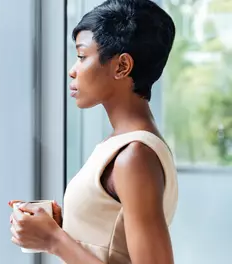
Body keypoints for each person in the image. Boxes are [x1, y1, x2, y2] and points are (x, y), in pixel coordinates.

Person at [9, 0, 178, 263]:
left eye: (81, 56)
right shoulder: (124, 145)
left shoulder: (134, 156)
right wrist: (61, 225)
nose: (72, 70)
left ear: (122, 66)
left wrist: (54, 240)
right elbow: (114, 238)